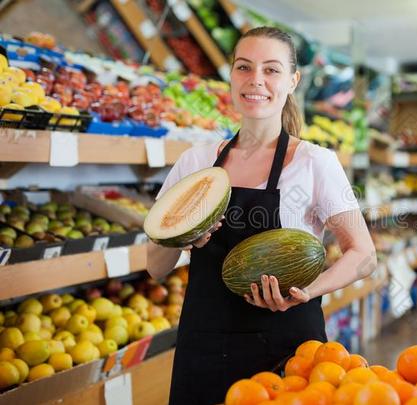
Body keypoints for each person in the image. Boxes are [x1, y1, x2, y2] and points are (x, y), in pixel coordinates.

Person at [147, 26, 377, 404]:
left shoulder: (314, 162)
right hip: (203, 346)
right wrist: (181, 239)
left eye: (271, 70)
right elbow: (155, 266)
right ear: (231, 76)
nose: (256, 80)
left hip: (286, 355)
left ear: (293, 81)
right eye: (244, 67)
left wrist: (306, 292)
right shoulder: (197, 161)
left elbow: (364, 254)